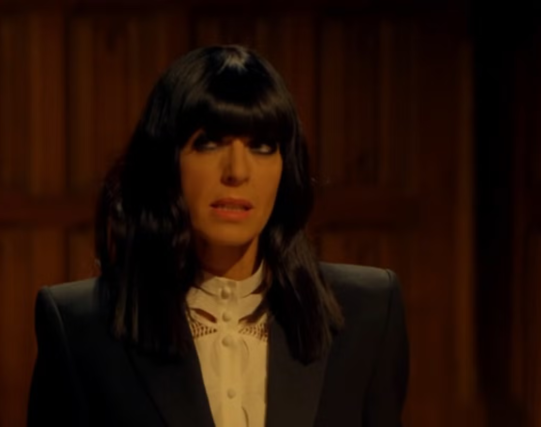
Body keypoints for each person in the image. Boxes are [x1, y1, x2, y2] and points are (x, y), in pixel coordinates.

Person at [27, 45, 409, 427]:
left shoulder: (368, 312)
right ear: (166, 160)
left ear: (286, 166)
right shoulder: (80, 327)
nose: (237, 171)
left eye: (261, 146)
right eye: (208, 143)